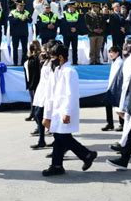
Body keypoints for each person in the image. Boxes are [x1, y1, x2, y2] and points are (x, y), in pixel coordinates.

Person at [41, 44, 98, 176]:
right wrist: (48, 113)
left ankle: (86, 154)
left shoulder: (70, 72)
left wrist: (67, 112)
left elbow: (71, 94)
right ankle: (57, 165)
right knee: (59, 137)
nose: (51, 60)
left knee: (62, 136)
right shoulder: (57, 70)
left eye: (53, 57)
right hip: (56, 110)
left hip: (64, 110)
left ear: (61, 57)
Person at [30, 40, 57, 149]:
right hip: (41, 91)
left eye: (46, 50)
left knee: (40, 115)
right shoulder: (45, 61)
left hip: (48, 92)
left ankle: (53, 138)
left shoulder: (53, 63)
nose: (43, 52)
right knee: (37, 115)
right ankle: (43, 139)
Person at [101, 46, 124, 131]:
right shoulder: (114, 62)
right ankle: (110, 123)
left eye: (112, 52)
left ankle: (122, 123)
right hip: (110, 87)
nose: (110, 54)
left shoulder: (120, 62)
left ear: (117, 53)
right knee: (108, 104)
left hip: (116, 87)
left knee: (119, 106)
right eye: (110, 52)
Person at [8, 0, 32, 66]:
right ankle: (15, 63)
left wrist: (26, 18)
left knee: (25, 49)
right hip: (15, 33)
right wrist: (19, 18)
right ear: (17, 5)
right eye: (20, 5)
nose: (22, 7)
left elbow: (30, 20)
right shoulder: (12, 12)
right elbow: (11, 20)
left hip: (24, 33)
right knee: (15, 48)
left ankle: (23, 63)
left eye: (23, 5)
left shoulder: (26, 12)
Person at [25, 40, 42, 123]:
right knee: (32, 98)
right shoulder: (29, 57)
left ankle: (36, 114)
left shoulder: (38, 57)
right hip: (30, 80)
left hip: (36, 81)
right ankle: (32, 113)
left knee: (36, 99)